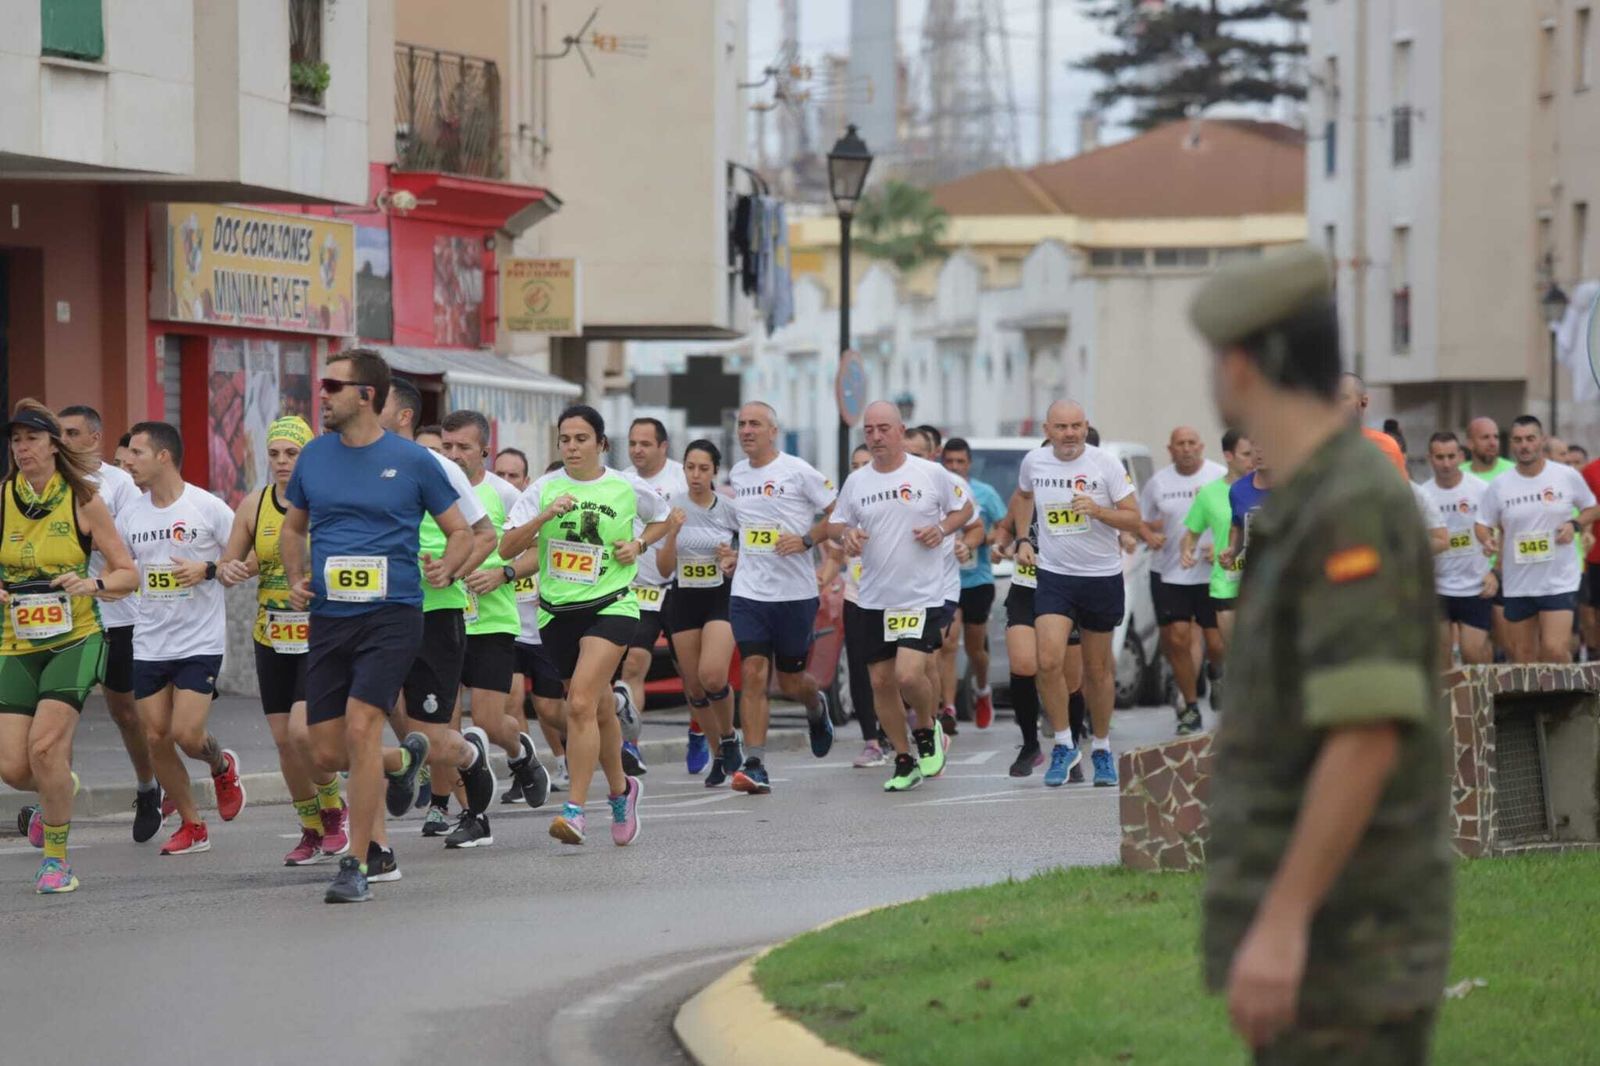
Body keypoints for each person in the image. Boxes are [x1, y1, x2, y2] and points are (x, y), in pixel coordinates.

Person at [1189, 244, 1449, 1062]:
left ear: (1242, 366)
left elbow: (1365, 731)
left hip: (1348, 938)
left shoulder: (1350, 505)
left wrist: (1283, 923)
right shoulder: (1307, 498)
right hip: (1325, 935)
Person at [281, 349, 476, 903]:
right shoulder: (314, 458)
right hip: (330, 618)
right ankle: (405, 759)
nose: (321, 395)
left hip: (392, 616)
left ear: (366, 394)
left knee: (362, 726)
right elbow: (294, 529)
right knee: (323, 750)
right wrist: (297, 577)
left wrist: (449, 564)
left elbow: (460, 531)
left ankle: (357, 863)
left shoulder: (414, 462)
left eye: (332, 386)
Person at [500, 405, 670, 846]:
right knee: (595, 709)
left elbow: (665, 518)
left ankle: (573, 811)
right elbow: (506, 547)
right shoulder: (544, 488)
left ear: (601, 444)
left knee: (577, 705)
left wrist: (638, 543)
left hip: (613, 605)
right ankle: (621, 791)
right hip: (556, 614)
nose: (572, 447)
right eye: (565, 439)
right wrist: (543, 517)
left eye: (580, 439)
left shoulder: (624, 485)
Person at [0, 400, 138, 893]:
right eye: (16, 440)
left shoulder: (83, 500)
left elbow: (128, 574)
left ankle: (57, 860)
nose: (22, 449)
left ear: (54, 445)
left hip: (75, 638)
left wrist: (92, 586)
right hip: (16, 641)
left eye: (32, 439)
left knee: (44, 747)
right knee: (16, 767)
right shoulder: (3, 499)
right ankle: (60, 784)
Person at [216, 416, 350, 864]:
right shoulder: (254, 504)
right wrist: (229, 569)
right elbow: (229, 563)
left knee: (301, 731)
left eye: (291, 453)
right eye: (274, 453)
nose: (281, 462)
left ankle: (334, 810)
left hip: (321, 633)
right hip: (271, 634)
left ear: (308, 454)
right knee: (282, 740)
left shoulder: (329, 500)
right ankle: (310, 827)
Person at [117, 421, 247, 857]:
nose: (127, 462)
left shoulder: (206, 508)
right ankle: (194, 825)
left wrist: (207, 570)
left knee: (188, 735)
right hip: (150, 639)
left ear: (163, 457)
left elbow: (247, 561)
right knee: (155, 738)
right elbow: (124, 571)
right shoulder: (130, 514)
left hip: (199, 640)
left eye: (135, 453)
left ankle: (220, 764)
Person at [825, 402, 971, 791]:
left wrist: (942, 530)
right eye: (869, 430)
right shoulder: (857, 482)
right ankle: (904, 760)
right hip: (873, 597)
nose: (875, 437)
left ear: (901, 431)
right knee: (881, 683)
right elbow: (836, 523)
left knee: (908, 674)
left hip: (921, 594)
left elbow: (964, 509)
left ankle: (927, 726)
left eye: (884, 429)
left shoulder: (929, 473)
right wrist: (847, 535)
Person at [378, 380, 499, 848]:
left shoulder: (434, 468)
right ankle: (374, 838)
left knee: (434, 731)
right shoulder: (359, 462)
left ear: (403, 414)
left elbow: (484, 535)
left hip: (435, 611)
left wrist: (450, 570)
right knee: (378, 714)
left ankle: (470, 785)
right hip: (380, 611)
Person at [1010, 401, 1143, 788]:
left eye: (1076, 426)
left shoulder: (1106, 465)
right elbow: (1022, 497)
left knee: (1097, 672)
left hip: (1100, 576)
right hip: (1054, 575)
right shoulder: (1034, 462)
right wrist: (1022, 539)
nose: (1070, 434)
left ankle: (1101, 748)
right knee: (1048, 662)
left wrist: (1099, 511)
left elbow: (1134, 517)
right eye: (1062, 427)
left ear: (1086, 427)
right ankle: (1065, 745)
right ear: (1048, 429)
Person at [57, 404, 160, 842]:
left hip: (118, 616)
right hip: (61, 618)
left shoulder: (118, 485)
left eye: (71, 432)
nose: (61, 440)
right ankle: (52, 794)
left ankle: (148, 786)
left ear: (94, 439)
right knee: (58, 713)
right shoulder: (48, 486)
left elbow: (131, 555)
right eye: (57, 433)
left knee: (124, 711)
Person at [442, 409, 551, 824]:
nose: (454, 455)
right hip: (444, 618)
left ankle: (522, 753)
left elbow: (536, 551)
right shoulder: (431, 491)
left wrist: (502, 572)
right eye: (447, 446)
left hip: (492, 622)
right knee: (448, 722)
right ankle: (469, 814)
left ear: (483, 451)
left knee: (487, 719)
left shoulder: (504, 494)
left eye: (463, 447)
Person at [725, 402, 837, 794]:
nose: (747, 431)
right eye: (742, 424)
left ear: (773, 431)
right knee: (753, 673)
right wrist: (732, 553)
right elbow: (744, 529)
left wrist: (807, 539)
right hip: (749, 591)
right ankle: (754, 762)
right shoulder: (736, 475)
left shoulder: (797, 470)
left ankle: (815, 705)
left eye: (755, 424)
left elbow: (838, 514)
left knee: (790, 682)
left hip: (794, 594)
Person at [1476, 415, 1600, 663]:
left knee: (1554, 650)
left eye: (1530, 439)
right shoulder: (1500, 485)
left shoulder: (1565, 475)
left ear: (1541, 440)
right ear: (1511, 443)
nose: (1524, 445)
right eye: (1518, 440)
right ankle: (1536, 703)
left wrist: (1573, 525)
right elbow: (1481, 523)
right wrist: (1487, 540)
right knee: (1524, 657)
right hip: (1519, 582)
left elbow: (1593, 508)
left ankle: (1570, 700)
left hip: (1558, 579)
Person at [657, 440, 743, 786]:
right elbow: (664, 569)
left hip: (719, 596)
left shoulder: (729, 509)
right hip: (683, 599)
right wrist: (672, 534)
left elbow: (747, 552)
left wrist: (732, 557)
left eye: (703, 468)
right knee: (693, 688)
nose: (695, 475)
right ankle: (719, 753)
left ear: (714, 472)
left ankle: (729, 736)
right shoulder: (673, 508)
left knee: (712, 676)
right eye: (690, 467)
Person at [1140, 426, 1226, 735]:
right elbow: (1140, 520)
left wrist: (1221, 544)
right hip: (1169, 572)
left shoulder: (1220, 476)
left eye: (1192, 443)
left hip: (1211, 573)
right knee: (1176, 639)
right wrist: (1149, 535)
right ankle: (1189, 707)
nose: (1187, 449)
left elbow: (1238, 519)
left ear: (1201, 446)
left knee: (1217, 643)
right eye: (1181, 444)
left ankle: (1217, 672)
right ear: (1170, 449)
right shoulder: (1158, 483)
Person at [619, 417, 689, 776]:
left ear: (664, 446)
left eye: (645, 444)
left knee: (691, 676)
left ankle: (698, 728)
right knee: (633, 666)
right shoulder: (622, 481)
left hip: (680, 589)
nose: (637, 450)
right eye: (633, 443)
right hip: (639, 590)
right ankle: (631, 744)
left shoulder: (682, 478)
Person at [905, 428, 980, 737]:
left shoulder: (951, 483)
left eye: (918, 455)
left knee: (931, 655)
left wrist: (967, 544)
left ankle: (932, 720)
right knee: (906, 665)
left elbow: (975, 526)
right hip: (897, 588)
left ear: (933, 455)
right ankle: (920, 715)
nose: (911, 461)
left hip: (939, 586)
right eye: (906, 453)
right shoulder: (884, 479)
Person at [1178, 430, 1256, 709]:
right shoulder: (1210, 494)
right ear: (1228, 456)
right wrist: (1187, 551)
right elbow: (1191, 533)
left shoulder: (1273, 487)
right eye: (1246, 454)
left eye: (1255, 453)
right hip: (1227, 582)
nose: (1253, 459)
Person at [826, 445, 889, 767]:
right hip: (857, 595)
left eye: (865, 463)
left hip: (895, 596)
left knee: (895, 671)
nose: (860, 469)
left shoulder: (892, 495)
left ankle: (905, 727)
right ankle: (872, 740)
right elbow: (833, 538)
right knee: (860, 670)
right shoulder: (849, 500)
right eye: (854, 464)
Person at [937, 438, 1007, 730]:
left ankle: (982, 688)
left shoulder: (984, 493)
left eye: (959, 462)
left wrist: (991, 541)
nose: (954, 466)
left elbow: (1004, 526)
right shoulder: (937, 489)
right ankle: (949, 707)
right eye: (949, 461)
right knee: (948, 643)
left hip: (976, 579)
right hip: (945, 581)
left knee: (975, 647)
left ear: (969, 464)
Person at [1419, 432, 1496, 666]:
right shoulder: (1422, 494)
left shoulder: (1482, 489)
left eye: (1451, 456)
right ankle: (1448, 703)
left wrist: (1494, 570)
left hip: (1475, 584)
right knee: (1441, 660)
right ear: (1429, 458)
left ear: (1461, 456)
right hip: (1438, 585)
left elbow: (1503, 528)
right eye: (1439, 457)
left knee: (1473, 654)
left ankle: (1488, 699)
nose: (1446, 463)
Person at [1336, 372, 1409, 476]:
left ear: (1363, 402)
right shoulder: (1315, 448)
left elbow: (1397, 491)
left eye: (1343, 398)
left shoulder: (1385, 446)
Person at [1461, 417, 1513, 482]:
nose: (1493, 443)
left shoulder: (1513, 473)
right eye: (1485, 437)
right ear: (1470, 443)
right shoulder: (1458, 475)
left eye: (1496, 437)